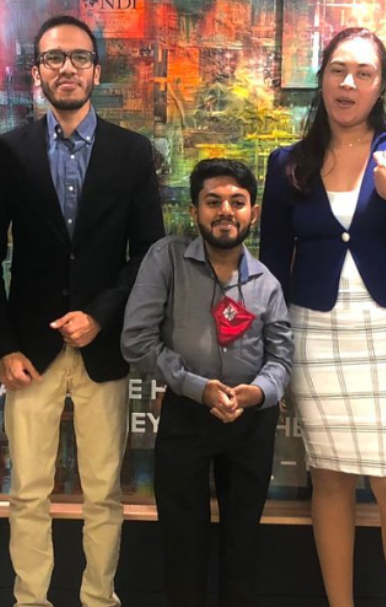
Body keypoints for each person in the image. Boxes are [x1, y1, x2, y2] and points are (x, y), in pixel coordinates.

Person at [259, 27, 386, 607]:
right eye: (337, 70)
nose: (348, 83)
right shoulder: (288, 163)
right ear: (321, 77)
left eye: (364, 73)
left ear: (380, 86)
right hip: (317, 334)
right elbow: (271, 268)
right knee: (329, 477)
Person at [0, 15, 164, 607]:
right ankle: (31, 599)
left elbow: (149, 255)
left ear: (96, 70)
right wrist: (3, 345)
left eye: (79, 58)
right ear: (38, 74)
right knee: (27, 491)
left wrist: (102, 314)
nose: (68, 69)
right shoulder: (10, 151)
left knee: (103, 493)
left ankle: (98, 598)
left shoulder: (133, 153)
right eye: (54, 59)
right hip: (29, 351)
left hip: (103, 351)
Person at [122, 158, 293, 607]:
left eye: (237, 202)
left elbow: (282, 360)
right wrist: (196, 386)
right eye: (213, 201)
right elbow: (136, 340)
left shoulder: (267, 284)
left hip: (251, 422)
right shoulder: (167, 260)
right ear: (196, 210)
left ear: (252, 213)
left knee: (243, 545)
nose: (225, 211)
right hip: (186, 414)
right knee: (182, 545)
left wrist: (257, 393)